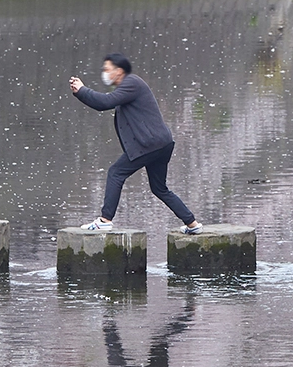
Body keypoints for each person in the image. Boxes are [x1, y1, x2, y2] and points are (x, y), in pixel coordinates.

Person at [69, 54, 201, 233]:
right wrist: (80, 93)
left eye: (107, 69)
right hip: (161, 144)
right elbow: (101, 103)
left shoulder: (132, 83)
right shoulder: (126, 88)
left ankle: (105, 220)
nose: (105, 73)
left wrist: (83, 89)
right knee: (159, 189)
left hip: (150, 145)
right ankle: (192, 224)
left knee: (115, 173)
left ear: (119, 71)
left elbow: (104, 102)